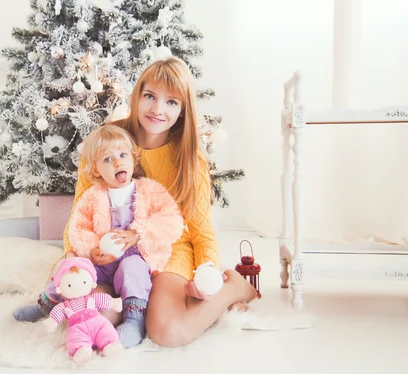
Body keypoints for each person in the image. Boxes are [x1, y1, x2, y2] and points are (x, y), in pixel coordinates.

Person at [20, 56, 257, 347]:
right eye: (150, 96)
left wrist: (207, 271)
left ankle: (234, 288)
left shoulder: (190, 159)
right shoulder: (106, 143)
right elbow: (81, 213)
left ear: (183, 110)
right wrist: (83, 254)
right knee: (95, 317)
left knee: (168, 332)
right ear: (137, 96)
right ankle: (132, 308)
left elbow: (201, 231)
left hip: (166, 251)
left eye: (172, 102)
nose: (158, 110)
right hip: (111, 254)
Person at [14, 124, 184, 348]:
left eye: (123, 155)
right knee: (72, 264)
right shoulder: (93, 196)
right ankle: (48, 303)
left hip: (136, 258)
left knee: (132, 267)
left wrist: (138, 234)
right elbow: (79, 227)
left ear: (133, 159)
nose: (117, 163)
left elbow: (171, 219)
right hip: (102, 262)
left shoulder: (148, 190)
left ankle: (134, 321)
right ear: (95, 170)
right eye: (107, 159)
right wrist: (92, 251)